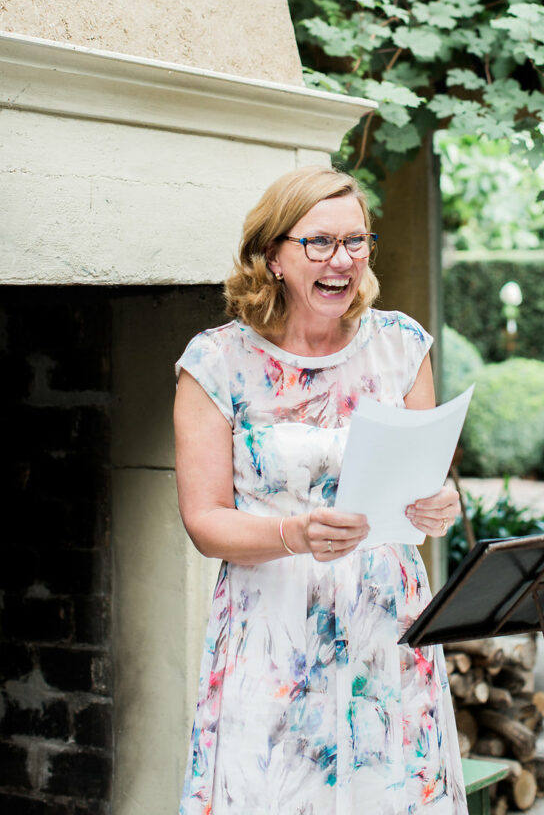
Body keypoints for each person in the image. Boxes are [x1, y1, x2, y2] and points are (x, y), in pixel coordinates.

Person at [174, 165, 469, 815]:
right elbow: (203, 521)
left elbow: (428, 480)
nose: (343, 260)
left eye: (357, 241)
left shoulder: (401, 346)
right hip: (273, 636)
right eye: (320, 243)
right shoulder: (216, 364)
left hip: (386, 633)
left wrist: (439, 504)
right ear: (273, 255)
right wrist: (294, 533)